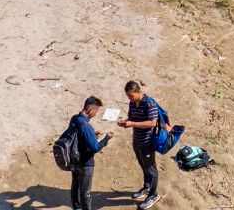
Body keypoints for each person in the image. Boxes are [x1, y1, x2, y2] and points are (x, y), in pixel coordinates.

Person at [117, 80, 167, 209]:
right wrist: (125, 122)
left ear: (139, 92)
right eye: (128, 96)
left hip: (147, 142)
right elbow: (131, 118)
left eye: (131, 96)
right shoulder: (133, 103)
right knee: (143, 166)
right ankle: (147, 188)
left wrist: (132, 124)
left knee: (151, 170)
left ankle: (153, 195)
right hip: (137, 141)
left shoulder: (150, 103)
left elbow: (152, 123)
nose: (129, 98)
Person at [69, 96, 114, 210]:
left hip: (74, 159)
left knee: (75, 187)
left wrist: (92, 134)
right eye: (97, 111)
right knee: (86, 192)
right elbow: (95, 148)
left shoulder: (74, 119)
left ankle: (76, 208)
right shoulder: (87, 127)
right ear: (90, 110)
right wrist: (106, 139)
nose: (97, 114)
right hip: (86, 163)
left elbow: (78, 136)